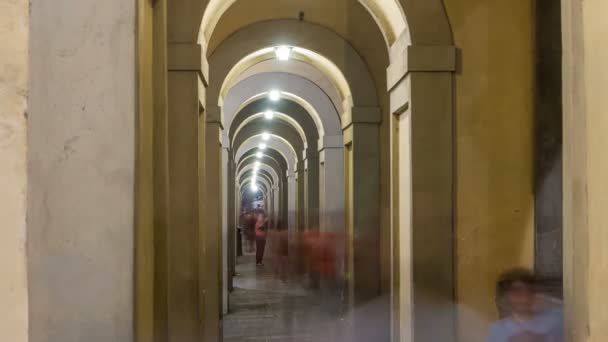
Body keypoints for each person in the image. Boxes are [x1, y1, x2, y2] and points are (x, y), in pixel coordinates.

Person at [487, 268, 563, 342]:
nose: (524, 298)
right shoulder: (498, 331)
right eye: (517, 293)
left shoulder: (556, 320)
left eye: (529, 291)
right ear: (507, 296)